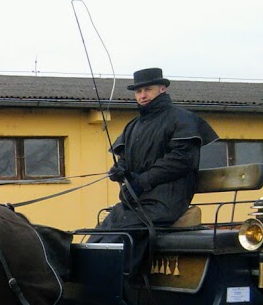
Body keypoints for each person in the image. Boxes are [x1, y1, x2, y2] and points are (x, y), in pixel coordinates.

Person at [90, 67, 219, 272]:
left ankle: (125, 282)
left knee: (121, 236)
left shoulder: (181, 119)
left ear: (162, 88)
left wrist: (143, 180)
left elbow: (182, 160)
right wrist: (120, 169)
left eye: (147, 89)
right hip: (136, 199)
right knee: (98, 234)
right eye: (138, 92)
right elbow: (126, 158)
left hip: (168, 198)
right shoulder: (133, 126)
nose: (142, 95)